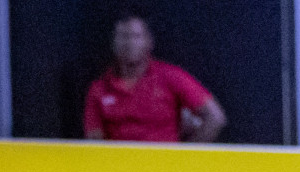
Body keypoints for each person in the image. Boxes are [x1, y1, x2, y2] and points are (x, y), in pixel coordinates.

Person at [84, 12, 225, 143]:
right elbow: (94, 140)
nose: (130, 43)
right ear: (114, 43)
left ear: (149, 42)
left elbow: (215, 118)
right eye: (123, 36)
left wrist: (186, 156)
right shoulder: (99, 88)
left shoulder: (171, 76)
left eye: (136, 36)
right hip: (119, 165)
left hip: (164, 165)